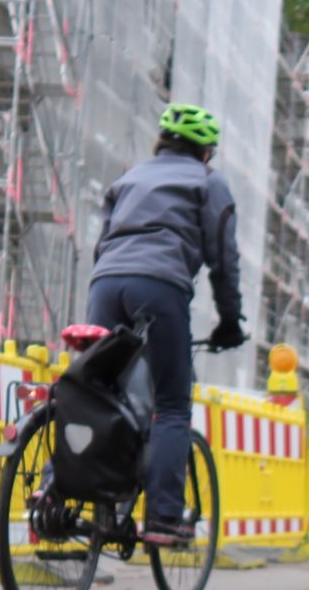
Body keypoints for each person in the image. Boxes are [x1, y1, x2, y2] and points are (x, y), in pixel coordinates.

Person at [88, 103, 247, 545]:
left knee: (94, 389)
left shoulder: (128, 179)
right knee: (171, 405)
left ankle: (54, 489)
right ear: (206, 152)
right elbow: (223, 258)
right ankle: (162, 519)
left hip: (104, 286)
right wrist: (230, 320)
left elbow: (101, 244)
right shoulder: (207, 181)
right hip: (160, 285)